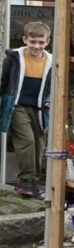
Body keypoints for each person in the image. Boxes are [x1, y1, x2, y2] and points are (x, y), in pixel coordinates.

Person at [0, 22, 52, 198]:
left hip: (39, 109)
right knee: (27, 141)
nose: (36, 46)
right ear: (25, 40)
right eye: (32, 42)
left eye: (40, 42)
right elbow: (4, 82)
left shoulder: (52, 62)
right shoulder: (14, 59)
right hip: (17, 106)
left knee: (39, 144)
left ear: (47, 41)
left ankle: (33, 183)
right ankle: (25, 181)